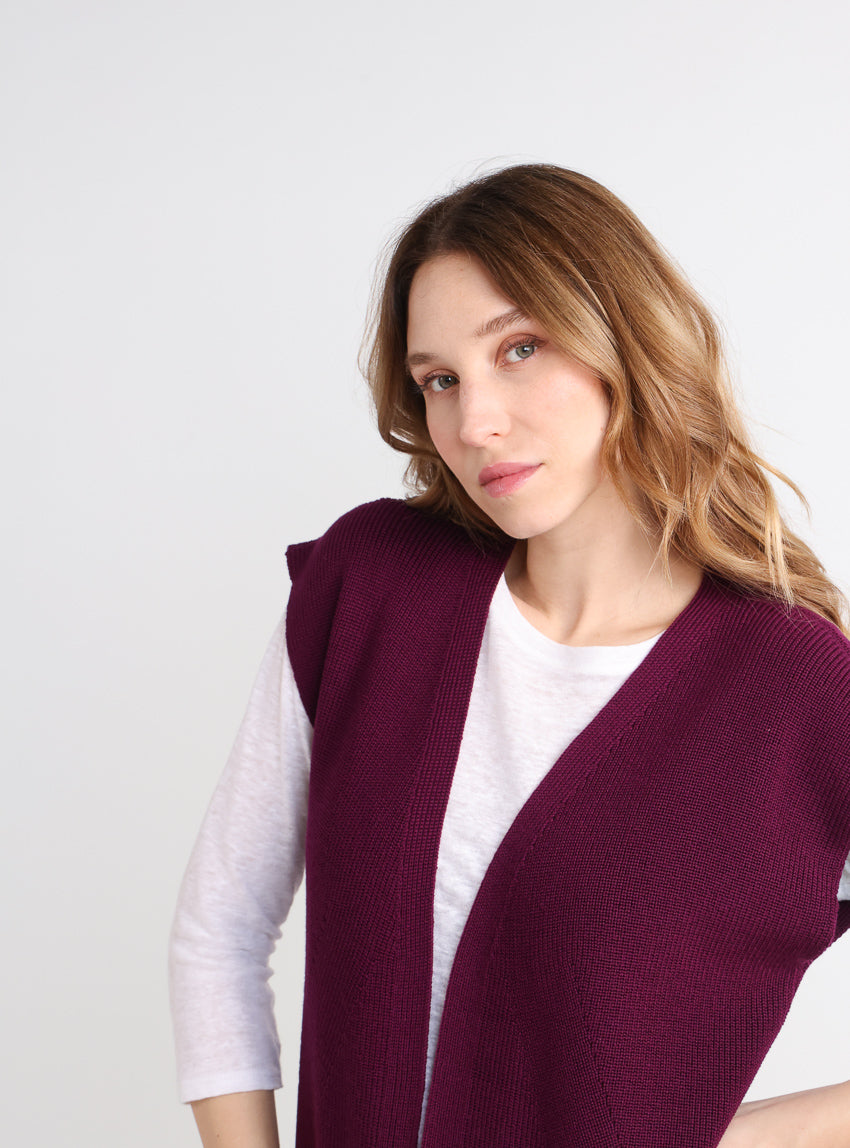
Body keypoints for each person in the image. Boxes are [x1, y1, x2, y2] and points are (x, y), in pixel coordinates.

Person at [169, 164, 850, 1148]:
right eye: (439, 380)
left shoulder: (800, 690)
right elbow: (220, 929)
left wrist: (720, 1135)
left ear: (625, 339)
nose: (473, 422)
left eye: (519, 349)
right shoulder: (372, 589)